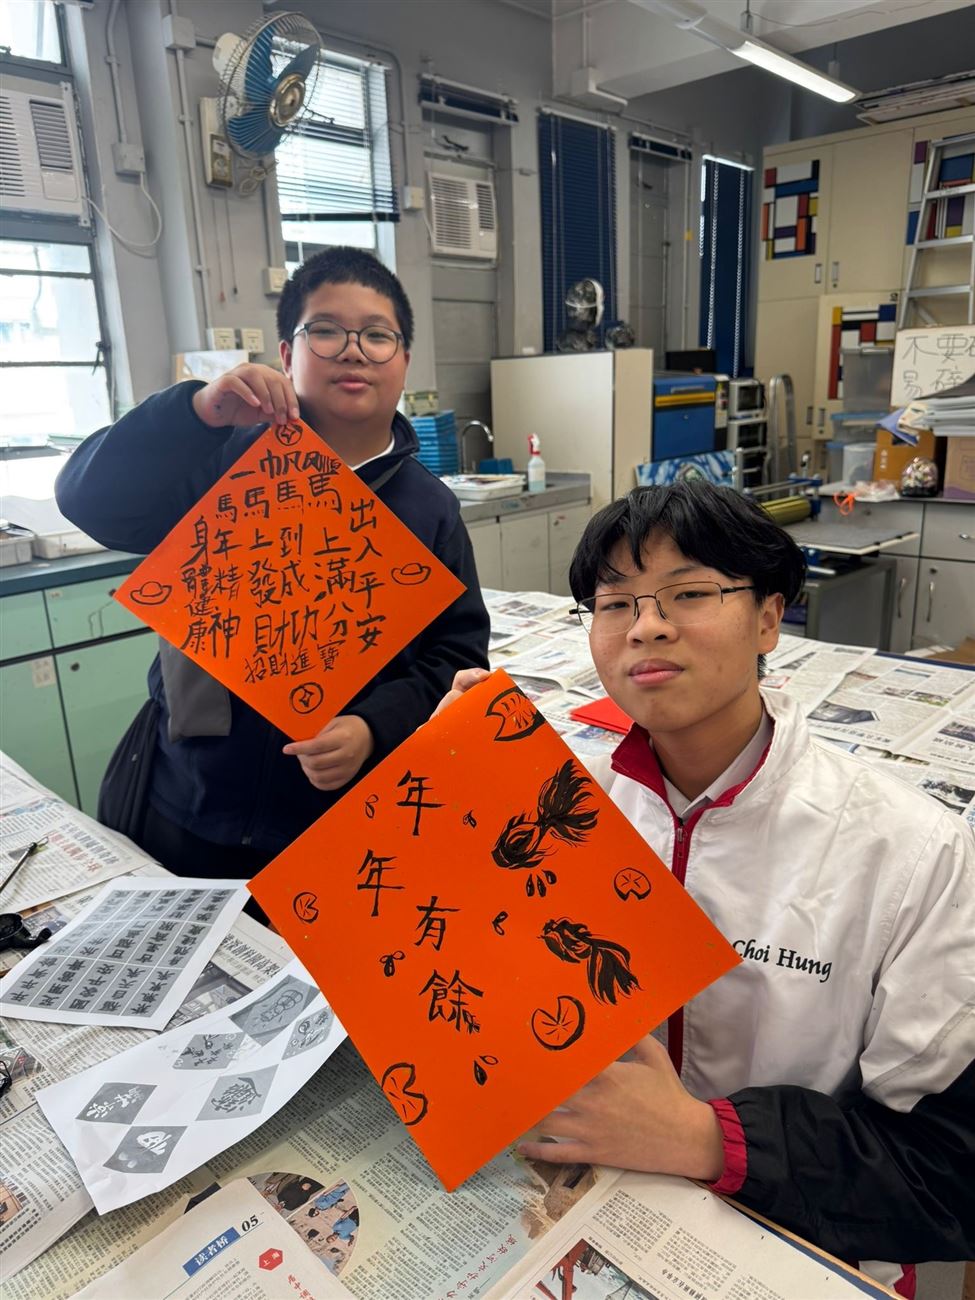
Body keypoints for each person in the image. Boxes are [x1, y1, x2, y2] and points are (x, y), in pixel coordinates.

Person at [438, 481, 975, 1297]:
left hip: (789, 1235)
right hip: (580, 1209)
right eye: (614, 603)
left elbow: (947, 1168)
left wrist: (703, 1137)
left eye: (688, 594)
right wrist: (450, 802)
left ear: (768, 619)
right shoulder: (567, 803)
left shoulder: (910, 852)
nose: (646, 626)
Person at [56, 248, 490, 880]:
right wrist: (197, 414)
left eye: (377, 336)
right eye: (326, 331)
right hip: (187, 804)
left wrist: (373, 727)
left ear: (404, 361)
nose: (353, 351)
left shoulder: (429, 509)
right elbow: (86, 498)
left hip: (335, 826)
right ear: (287, 355)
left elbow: (457, 654)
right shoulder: (221, 459)